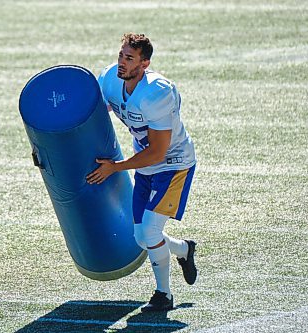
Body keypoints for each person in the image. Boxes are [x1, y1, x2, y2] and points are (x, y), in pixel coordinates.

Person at [86, 33, 198, 311]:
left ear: (144, 64)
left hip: (173, 164)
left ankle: (164, 295)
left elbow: (158, 152)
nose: (122, 62)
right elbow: (95, 113)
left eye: (130, 58)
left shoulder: (156, 93)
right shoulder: (111, 79)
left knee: (150, 230)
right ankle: (184, 249)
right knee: (141, 237)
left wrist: (116, 167)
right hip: (146, 165)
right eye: (121, 55)